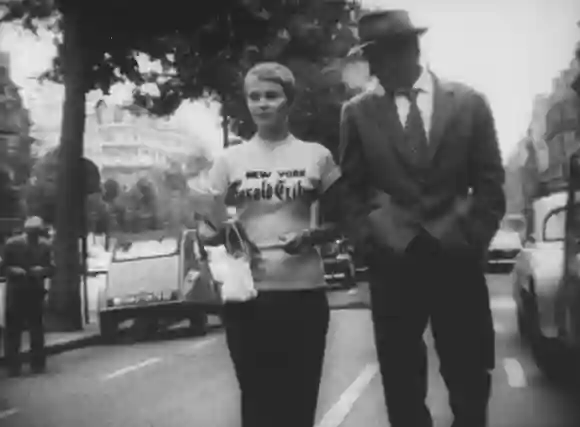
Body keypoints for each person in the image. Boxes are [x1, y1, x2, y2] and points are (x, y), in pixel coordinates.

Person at [337, 10, 506, 427]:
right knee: (401, 382)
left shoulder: (468, 103)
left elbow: (490, 183)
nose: (374, 68)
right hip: (393, 265)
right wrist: (370, 241)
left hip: (457, 260)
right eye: (369, 58)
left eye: (380, 56)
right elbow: (352, 190)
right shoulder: (357, 113)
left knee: (468, 374)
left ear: (411, 50)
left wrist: (471, 238)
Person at [189, 62, 341, 427]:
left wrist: (311, 236)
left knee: (299, 399)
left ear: (288, 100)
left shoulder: (316, 156)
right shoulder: (228, 160)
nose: (262, 104)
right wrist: (215, 230)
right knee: (257, 400)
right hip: (248, 298)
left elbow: (342, 221)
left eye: (271, 96)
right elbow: (205, 227)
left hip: (304, 292)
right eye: (254, 97)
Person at [1, 216, 54, 376]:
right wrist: (13, 270)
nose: (34, 236)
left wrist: (42, 271)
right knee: (13, 330)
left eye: (36, 233)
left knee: (36, 329)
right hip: (16, 290)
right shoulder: (12, 244)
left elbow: (52, 268)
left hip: (35, 291)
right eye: (31, 233)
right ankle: (13, 365)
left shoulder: (45, 246)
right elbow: (3, 267)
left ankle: (37, 363)